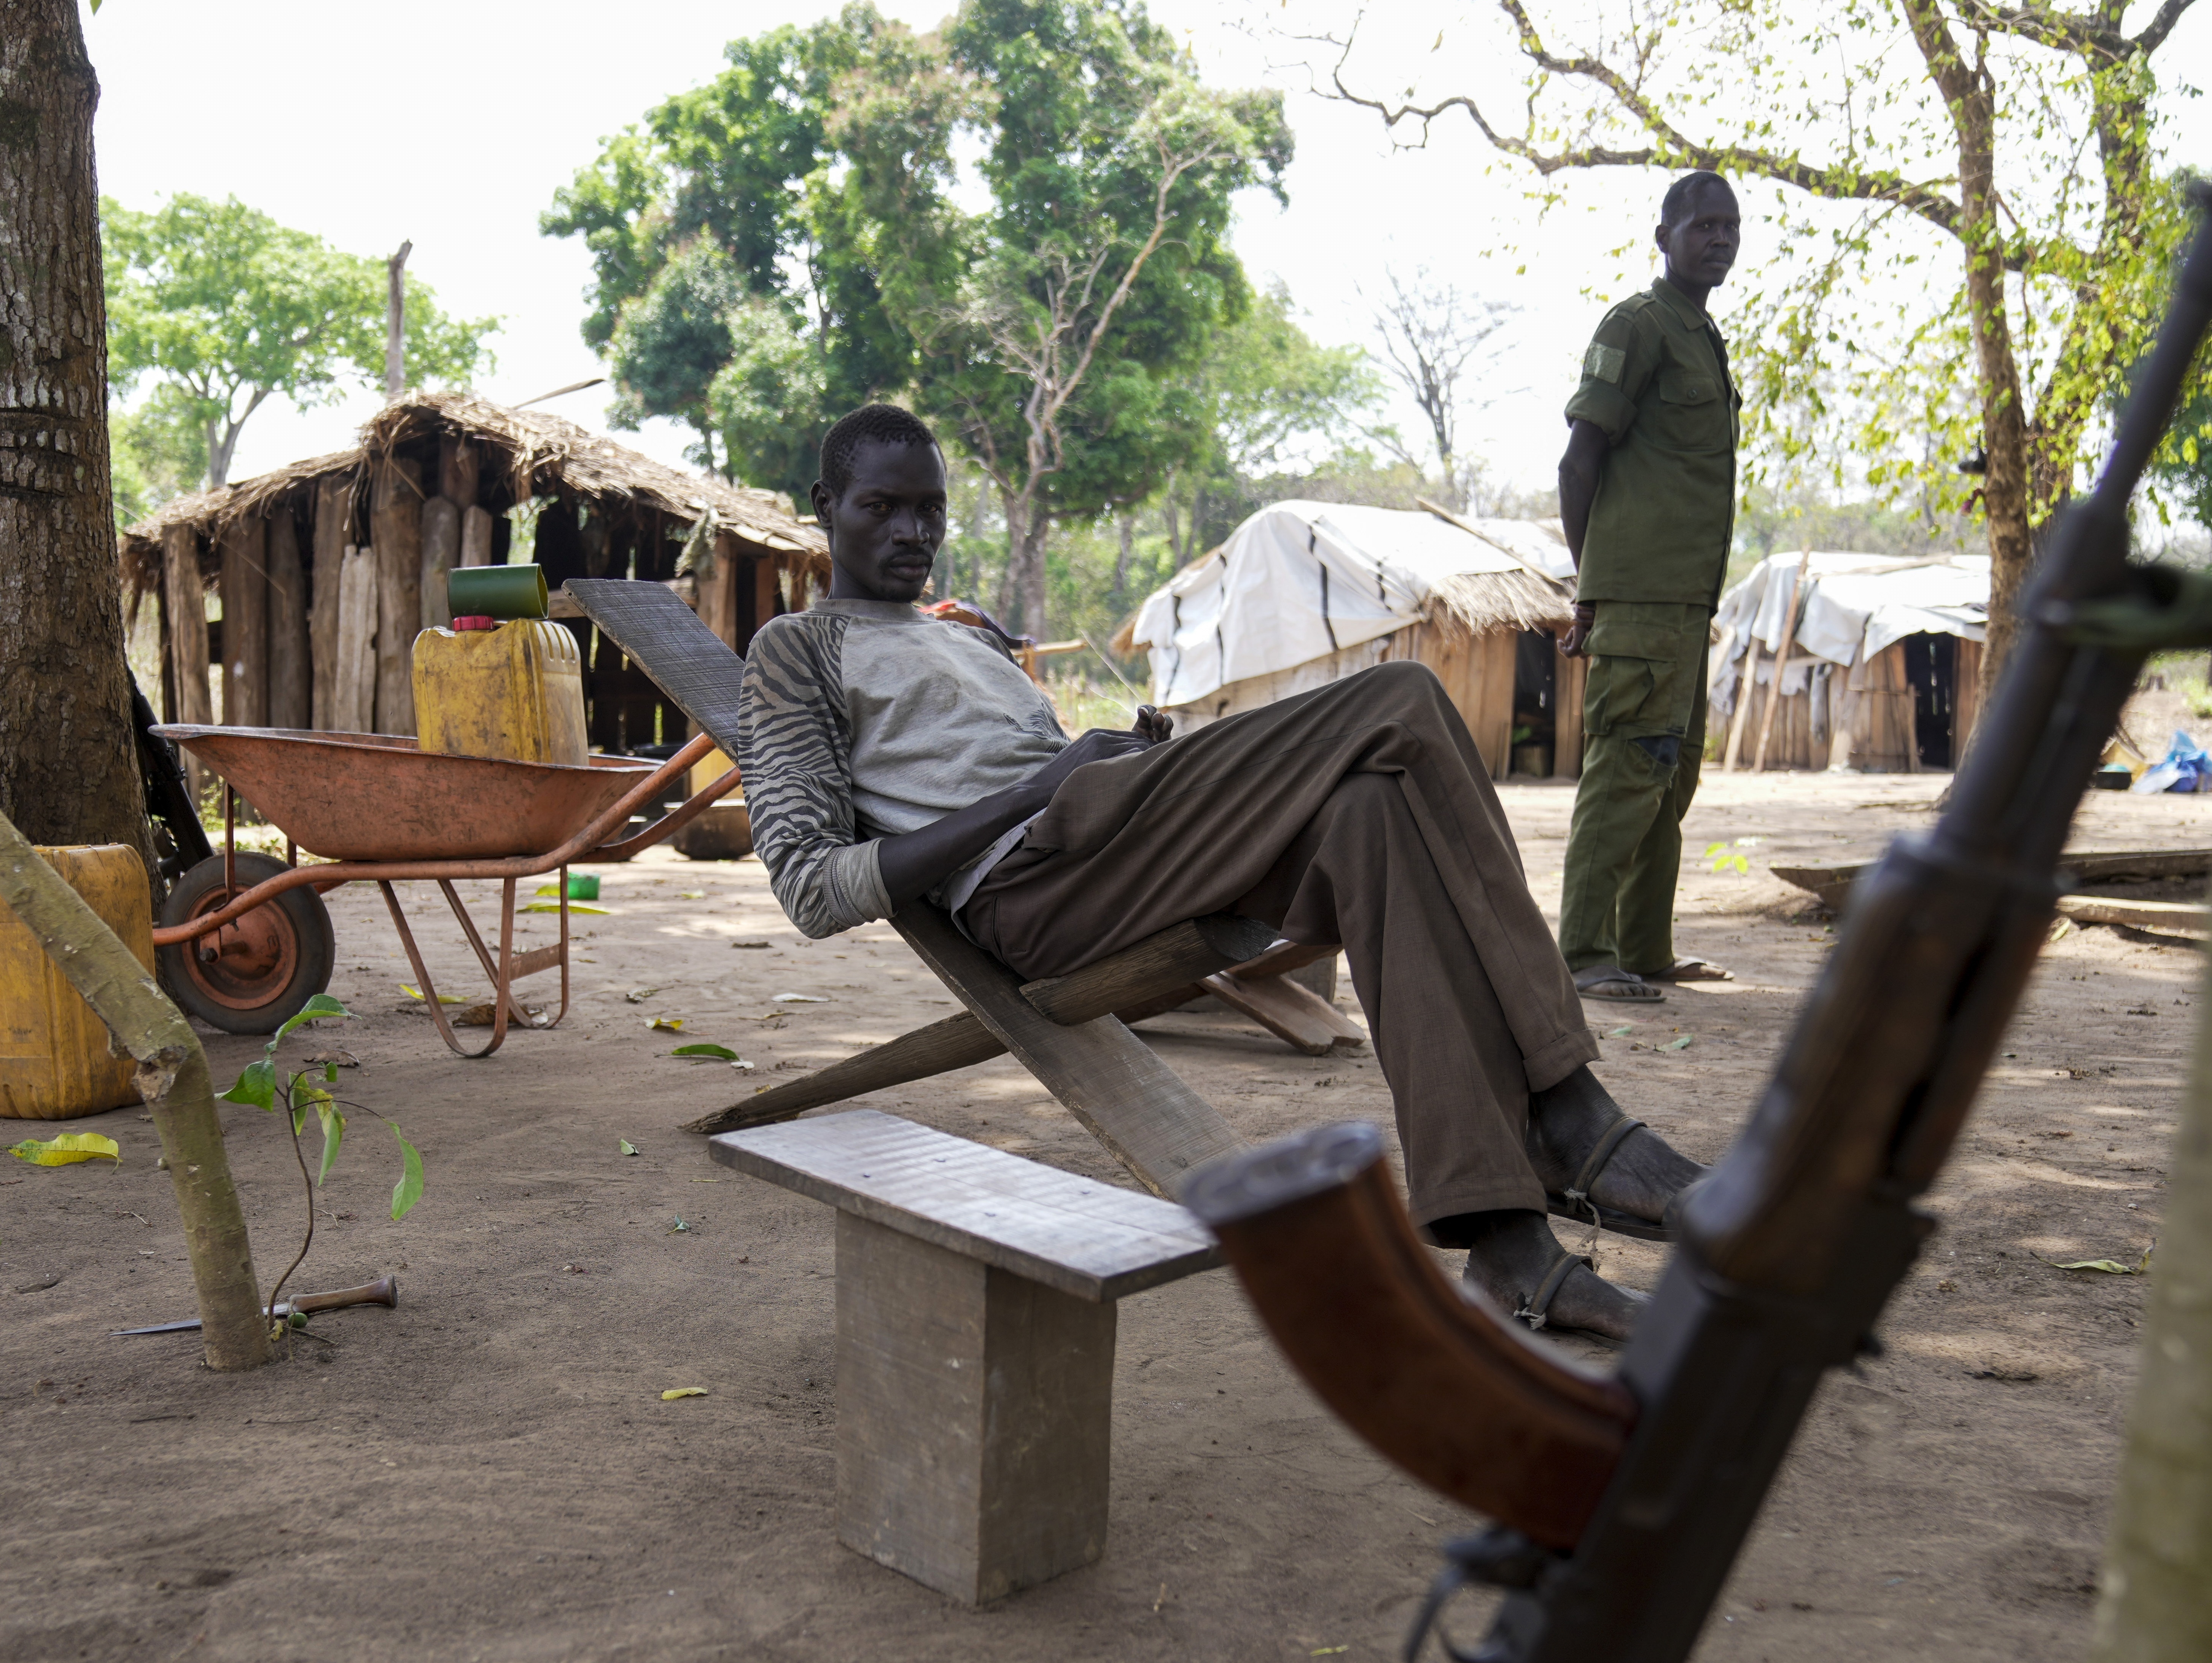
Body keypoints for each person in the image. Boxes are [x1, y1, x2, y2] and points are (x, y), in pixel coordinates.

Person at [735, 402, 1706, 1338]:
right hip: (1037, 886)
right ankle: (1573, 1112)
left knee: (1373, 816)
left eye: (931, 509)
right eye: (882, 507)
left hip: (1112, 836)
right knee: (1401, 698)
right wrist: (1048, 787)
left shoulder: (967, 635)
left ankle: (1504, 1241)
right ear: (825, 507)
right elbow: (814, 889)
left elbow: (1018, 765)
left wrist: (1114, 755)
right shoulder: (797, 649)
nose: (913, 530)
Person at [1553, 170, 1746, 1004]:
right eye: (1701, 225)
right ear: (1662, 237)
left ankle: (1646, 951)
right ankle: (1584, 954)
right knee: (1625, 769)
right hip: (1637, 600)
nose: (1718, 238)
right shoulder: (1636, 325)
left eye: (1729, 226)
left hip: (1685, 605)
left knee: (1670, 778)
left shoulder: (1702, 335)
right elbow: (1579, 459)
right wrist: (1589, 586)